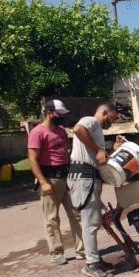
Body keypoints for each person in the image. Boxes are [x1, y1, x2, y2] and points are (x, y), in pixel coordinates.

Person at [68, 103, 124, 277]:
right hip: (84, 177)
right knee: (90, 223)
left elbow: (99, 157)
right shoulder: (90, 121)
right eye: (112, 118)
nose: (112, 123)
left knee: (94, 221)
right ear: (105, 112)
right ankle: (91, 265)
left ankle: (95, 260)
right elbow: (77, 129)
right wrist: (98, 150)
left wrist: (111, 149)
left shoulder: (97, 130)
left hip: (90, 177)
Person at [27, 99, 84, 265]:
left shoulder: (61, 131)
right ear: (49, 113)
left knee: (77, 214)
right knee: (52, 219)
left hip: (67, 177)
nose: (62, 117)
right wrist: (43, 182)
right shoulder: (37, 133)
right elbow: (32, 160)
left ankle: (82, 250)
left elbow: (65, 153)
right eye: (59, 114)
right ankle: (56, 252)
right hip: (50, 179)